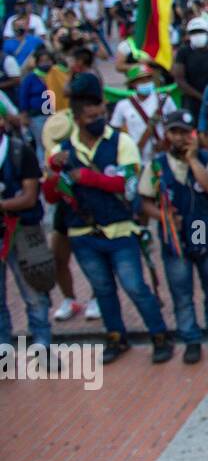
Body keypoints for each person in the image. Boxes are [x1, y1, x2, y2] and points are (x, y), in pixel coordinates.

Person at [43, 73, 172, 364]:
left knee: (135, 286)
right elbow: (52, 196)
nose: (99, 119)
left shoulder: (121, 142)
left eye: (101, 113)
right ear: (78, 119)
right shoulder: (62, 150)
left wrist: (85, 177)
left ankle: (159, 335)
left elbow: (127, 185)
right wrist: (53, 173)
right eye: (92, 116)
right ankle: (116, 337)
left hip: (120, 229)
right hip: (83, 234)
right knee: (102, 290)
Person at [138, 110, 208, 363]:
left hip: (204, 232)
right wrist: (162, 217)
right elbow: (144, 202)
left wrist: (193, 161)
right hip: (175, 240)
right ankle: (191, 338)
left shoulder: (206, 157)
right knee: (181, 294)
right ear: (167, 134)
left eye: (185, 132)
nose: (180, 138)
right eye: (175, 132)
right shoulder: (156, 165)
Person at [0, 121, 53, 358]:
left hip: (23, 231)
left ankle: (43, 344)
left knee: (34, 290)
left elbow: (29, 198)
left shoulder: (21, 152)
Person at [109, 64, 177, 164]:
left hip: (163, 156)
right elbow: (114, 130)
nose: (146, 82)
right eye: (141, 80)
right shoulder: (123, 105)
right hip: (136, 157)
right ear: (133, 84)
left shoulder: (165, 100)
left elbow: (176, 125)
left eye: (148, 78)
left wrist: (167, 141)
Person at [170, 18, 208, 116]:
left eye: (200, 32)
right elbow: (179, 79)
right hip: (191, 101)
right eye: (193, 33)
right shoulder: (183, 52)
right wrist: (202, 97)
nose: (197, 35)